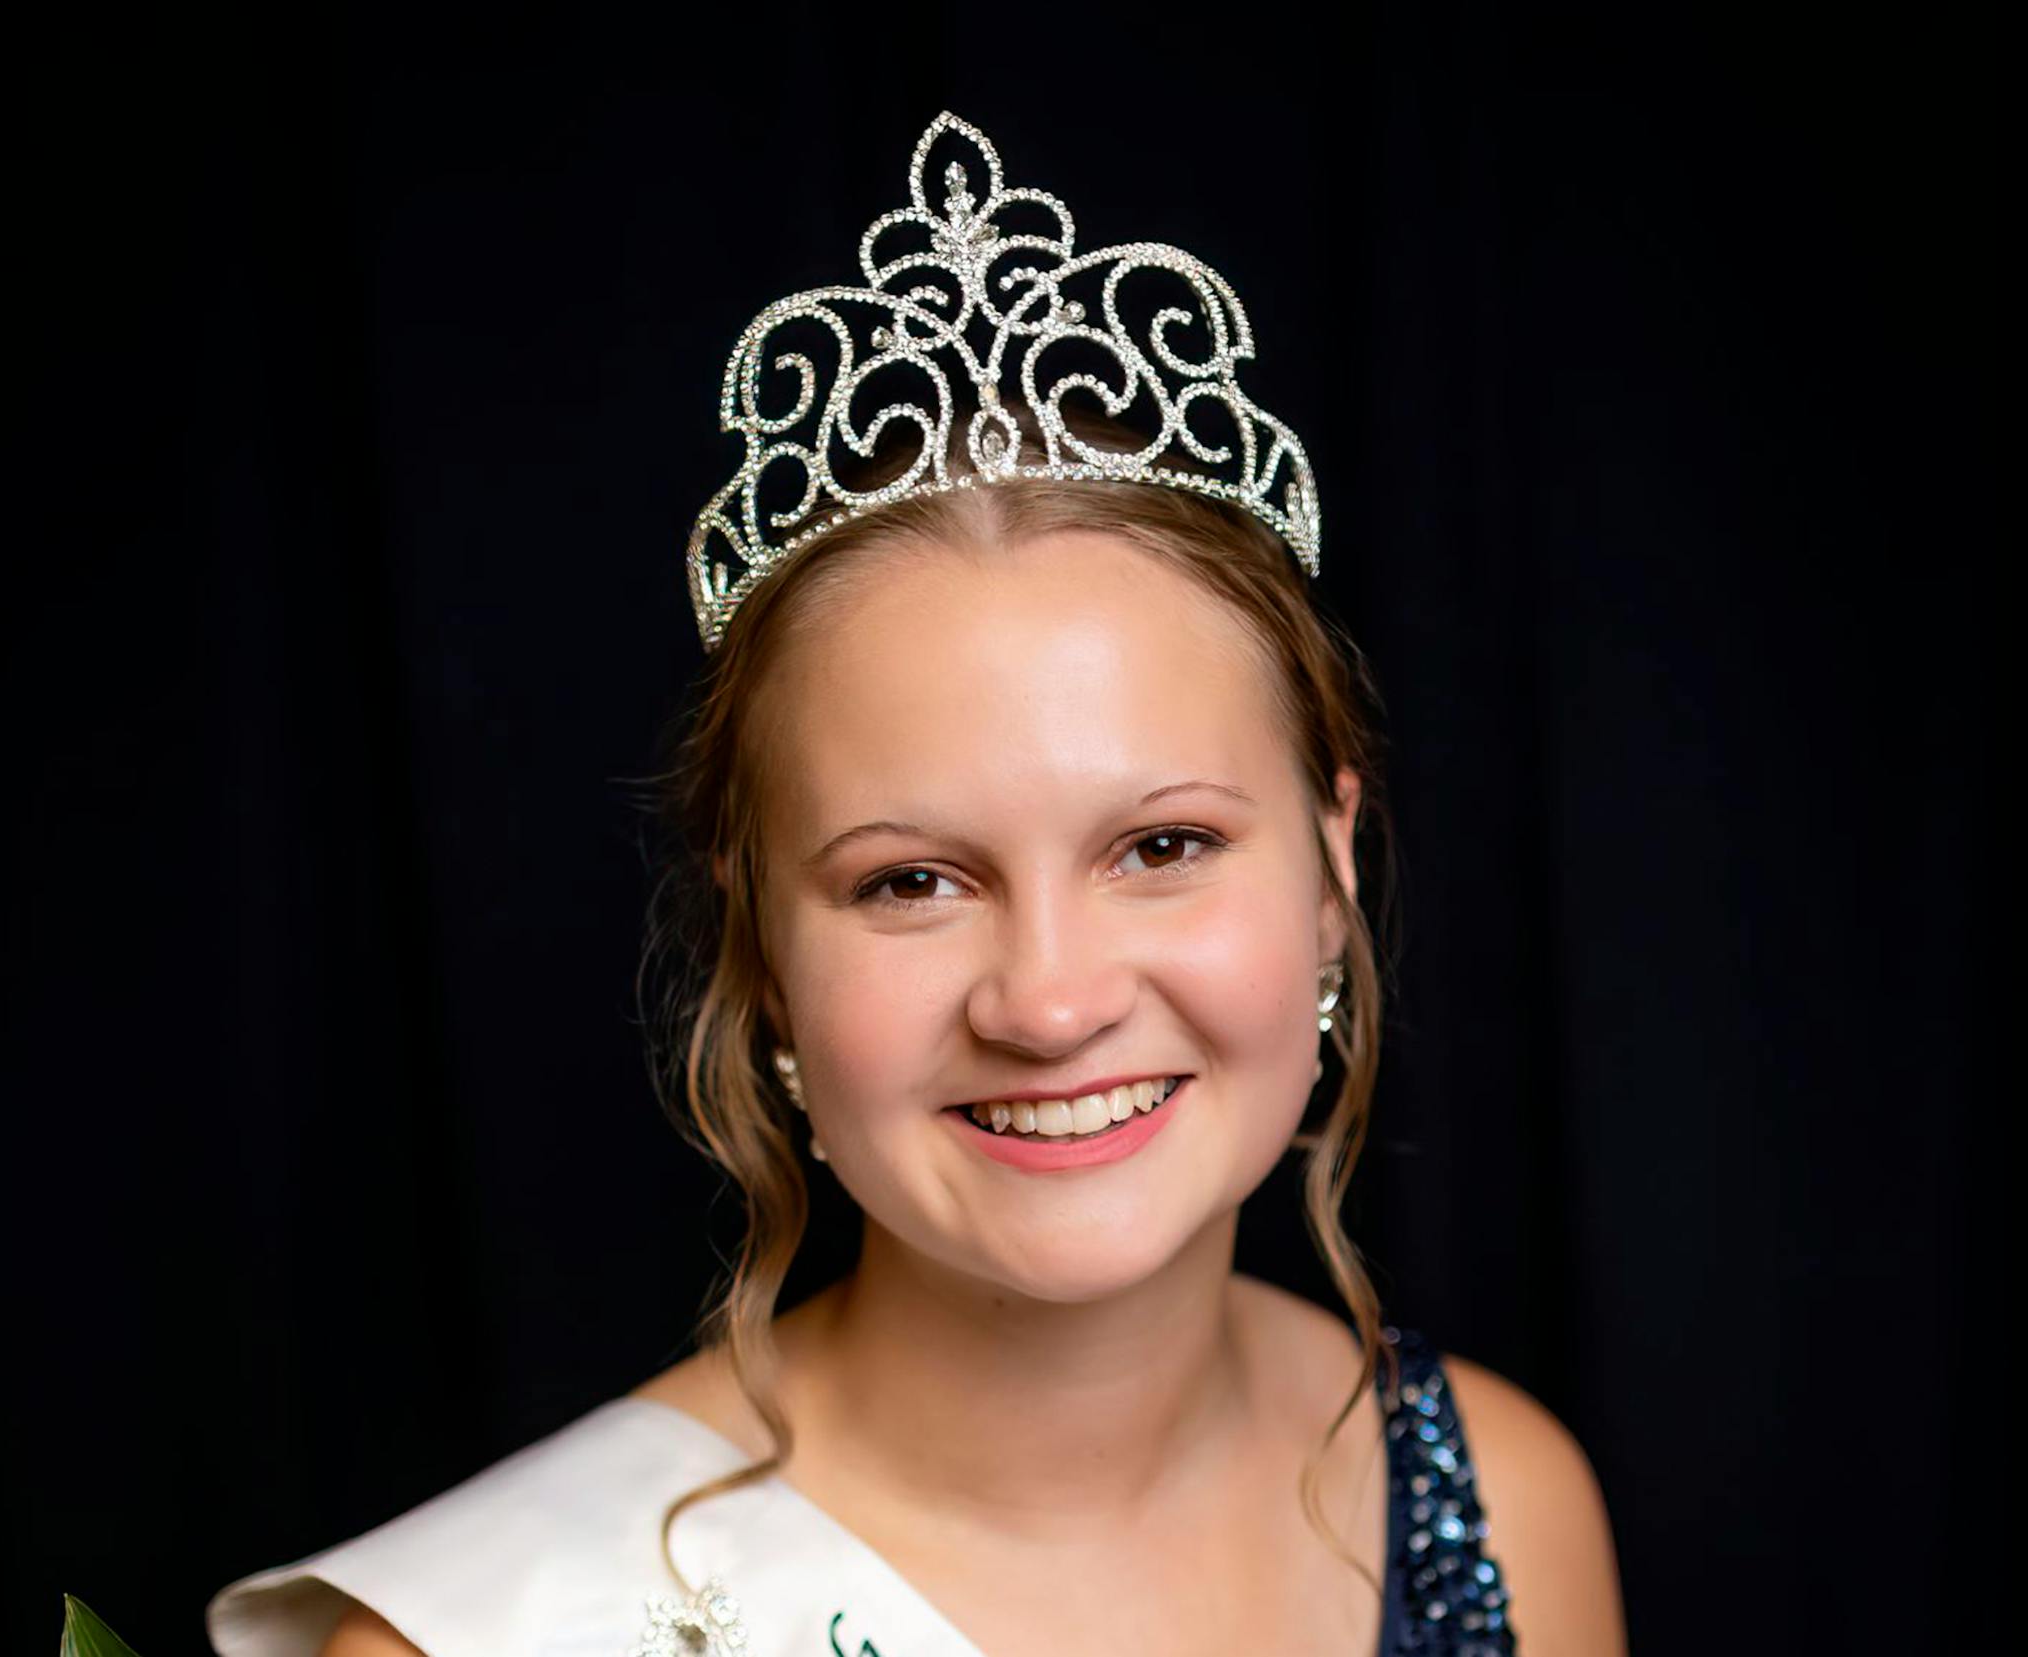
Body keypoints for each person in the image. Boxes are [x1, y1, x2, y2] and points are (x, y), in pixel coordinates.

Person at [206, 111, 1625, 1657]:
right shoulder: (487, 1635)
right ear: (759, 943)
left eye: (1163, 846)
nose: (1053, 999)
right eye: (911, 881)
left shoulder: (1504, 1501)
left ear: (1332, 867)